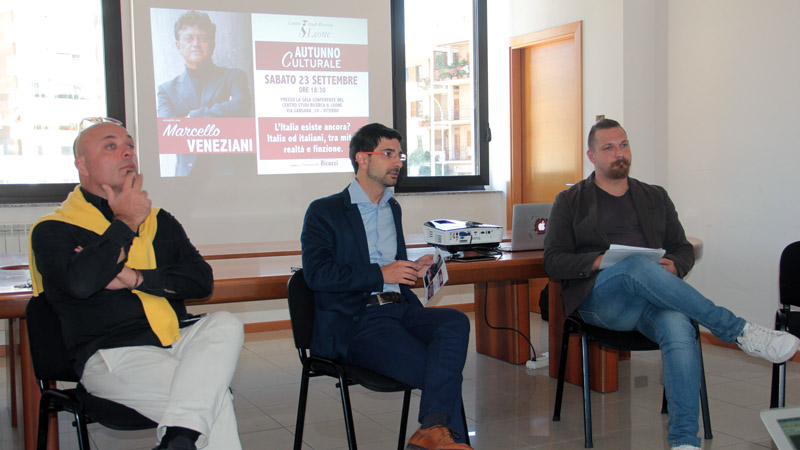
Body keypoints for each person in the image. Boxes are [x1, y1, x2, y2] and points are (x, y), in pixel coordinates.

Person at [543, 118, 800, 450]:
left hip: (650, 299)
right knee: (634, 265)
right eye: (608, 148)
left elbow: (681, 247)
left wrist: (676, 265)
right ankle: (739, 331)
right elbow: (553, 261)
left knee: (678, 324)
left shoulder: (655, 196)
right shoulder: (570, 200)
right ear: (592, 156)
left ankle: (684, 440)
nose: (619, 153)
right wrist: (601, 261)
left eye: (624, 145)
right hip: (601, 301)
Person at [29, 117, 244, 450]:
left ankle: (178, 438)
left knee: (226, 323)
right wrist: (126, 220)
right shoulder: (54, 229)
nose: (127, 151)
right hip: (112, 354)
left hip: (176, 338)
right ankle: (180, 437)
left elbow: (201, 282)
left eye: (130, 145)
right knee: (213, 403)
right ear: (82, 165)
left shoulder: (159, 221)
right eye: (111, 146)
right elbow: (82, 283)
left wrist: (134, 278)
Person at [301, 123, 473, 450]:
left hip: (399, 309)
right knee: (442, 372)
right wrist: (382, 274)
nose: (398, 162)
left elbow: (391, 266)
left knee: (455, 321)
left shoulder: (392, 207)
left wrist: (412, 268)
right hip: (357, 320)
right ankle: (437, 436)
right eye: (388, 154)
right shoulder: (325, 211)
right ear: (362, 159)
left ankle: (432, 433)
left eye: (400, 155)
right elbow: (318, 275)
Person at [157, 10, 250, 119]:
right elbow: (167, 126)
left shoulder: (235, 77)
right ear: (178, 46)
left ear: (212, 45)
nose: (196, 44)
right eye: (189, 38)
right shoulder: (167, 91)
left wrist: (191, 117)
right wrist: (224, 110)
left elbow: (240, 107)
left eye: (202, 38)